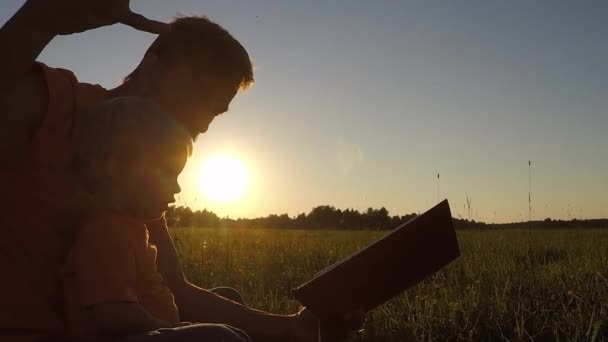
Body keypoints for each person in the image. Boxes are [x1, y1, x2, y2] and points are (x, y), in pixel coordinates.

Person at [0, 1, 363, 341]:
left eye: (215, 112)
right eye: (200, 97)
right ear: (154, 68)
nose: (203, 125)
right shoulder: (54, 102)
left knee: (226, 298)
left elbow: (177, 288)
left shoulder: (140, 176)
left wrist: (294, 328)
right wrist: (39, 20)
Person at [63, 97, 252, 342]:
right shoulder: (105, 234)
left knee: (228, 297)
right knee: (221, 337)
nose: (176, 188)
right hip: (123, 336)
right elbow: (114, 316)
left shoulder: (130, 228)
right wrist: (171, 329)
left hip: (152, 329)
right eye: (168, 173)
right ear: (117, 168)